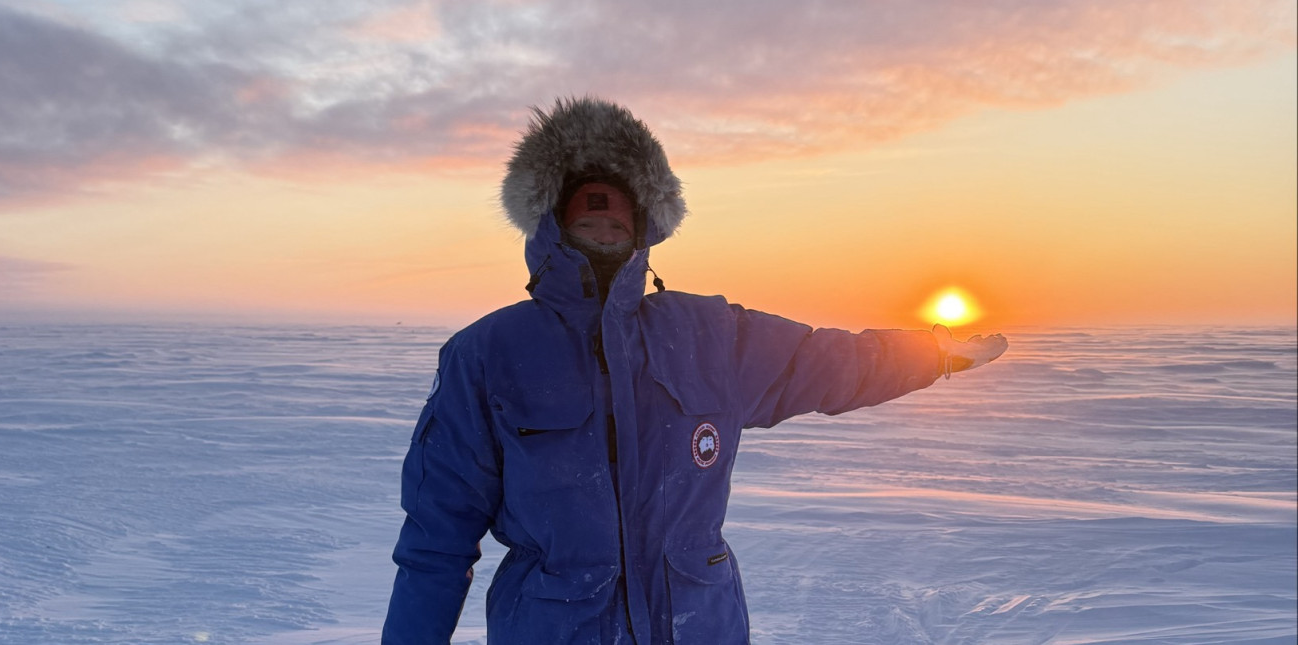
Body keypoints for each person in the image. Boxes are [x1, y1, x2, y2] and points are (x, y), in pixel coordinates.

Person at [383, 97, 1007, 644]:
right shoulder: (488, 353)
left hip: (697, 625)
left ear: (645, 223)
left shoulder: (708, 334)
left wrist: (934, 354)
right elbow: (436, 539)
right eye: (585, 210)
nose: (604, 222)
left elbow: (825, 359)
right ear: (551, 219)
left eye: (618, 211)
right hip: (553, 627)